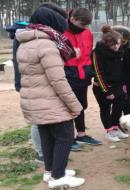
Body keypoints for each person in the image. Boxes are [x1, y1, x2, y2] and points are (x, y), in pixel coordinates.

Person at [16, 6, 85, 188]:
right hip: (50, 100)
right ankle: (58, 176)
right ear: (53, 23)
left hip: (34, 99)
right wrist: (75, 105)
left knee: (47, 136)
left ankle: (50, 171)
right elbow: (58, 81)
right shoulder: (47, 44)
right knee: (65, 136)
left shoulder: (26, 41)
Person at [4, 2, 70, 165]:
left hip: (42, 82)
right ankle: (42, 153)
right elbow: (22, 63)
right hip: (34, 84)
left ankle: (50, 158)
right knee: (40, 119)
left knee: (46, 120)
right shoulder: (31, 36)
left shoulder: (42, 35)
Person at [64, 8, 102, 151]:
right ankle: (69, 138)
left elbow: (88, 55)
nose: (84, 28)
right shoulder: (61, 31)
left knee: (81, 105)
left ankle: (81, 134)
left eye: (87, 25)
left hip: (82, 75)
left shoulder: (88, 33)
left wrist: (90, 73)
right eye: (82, 24)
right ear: (72, 19)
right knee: (68, 107)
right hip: (67, 74)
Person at [92, 26, 129, 142]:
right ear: (106, 43)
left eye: (118, 44)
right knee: (105, 109)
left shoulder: (120, 52)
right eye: (114, 44)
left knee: (119, 107)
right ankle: (109, 131)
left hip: (118, 86)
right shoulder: (97, 52)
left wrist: (123, 85)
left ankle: (115, 127)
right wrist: (106, 91)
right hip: (103, 87)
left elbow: (122, 70)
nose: (117, 46)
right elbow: (98, 73)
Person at [112, 25, 130, 115]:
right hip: (115, 78)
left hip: (129, 77)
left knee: (127, 98)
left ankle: (127, 117)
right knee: (116, 100)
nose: (120, 44)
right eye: (118, 42)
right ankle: (115, 120)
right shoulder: (111, 46)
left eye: (123, 42)